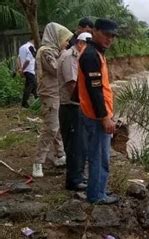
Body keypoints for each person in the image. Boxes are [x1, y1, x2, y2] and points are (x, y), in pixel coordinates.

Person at [78, 19, 118, 204]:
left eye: (112, 36)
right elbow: (94, 90)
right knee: (99, 157)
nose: (109, 39)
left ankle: (99, 190)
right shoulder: (91, 55)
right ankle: (96, 195)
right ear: (95, 31)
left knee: (100, 156)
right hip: (96, 116)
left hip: (95, 114)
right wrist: (104, 118)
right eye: (106, 34)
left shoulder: (97, 53)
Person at [32, 22, 73, 178]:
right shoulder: (46, 52)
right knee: (51, 128)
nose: (67, 43)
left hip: (56, 93)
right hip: (49, 95)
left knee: (55, 126)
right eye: (65, 40)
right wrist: (67, 56)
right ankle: (38, 162)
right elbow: (57, 69)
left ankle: (60, 155)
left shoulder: (54, 51)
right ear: (57, 38)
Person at [58, 32, 92, 191]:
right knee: (75, 145)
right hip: (71, 106)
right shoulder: (71, 57)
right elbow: (73, 84)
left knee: (80, 144)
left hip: (74, 106)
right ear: (80, 43)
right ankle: (74, 180)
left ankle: (78, 177)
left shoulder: (75, 55)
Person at [18, 39, 38, 108]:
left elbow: (18, 59)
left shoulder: (22, 47)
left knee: (34, 86)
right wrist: (22, 69)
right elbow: (28, 60)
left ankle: (37, 101)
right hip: (29, 70)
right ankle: (24, 103)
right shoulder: (31, 47)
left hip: (26, 70)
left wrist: (20, 68)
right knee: (30, 86)